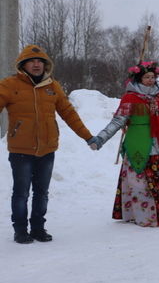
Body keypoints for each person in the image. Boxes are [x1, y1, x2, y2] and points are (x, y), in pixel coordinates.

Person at [0, 44, 95, 243]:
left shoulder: (53, 86)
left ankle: (38, 228)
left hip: (47, 149)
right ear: (23, 65)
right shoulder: (9, 85)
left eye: (40, 61)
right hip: (21, 150)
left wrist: (87, 136)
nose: (36, 65)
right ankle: (20, 230)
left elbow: (69, 113)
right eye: (31, 61)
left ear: (45, 65)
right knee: (21, 192)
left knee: (41, 192)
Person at [89, 61, 159, 227]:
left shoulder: (158, 98)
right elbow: (117, 121)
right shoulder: (130, 98)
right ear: (139, 78)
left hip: (156, 145)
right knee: (137, 183)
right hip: (137, 145)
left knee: (158, 180)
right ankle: (142, 215)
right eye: (147, 77)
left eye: (153, 77)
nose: (150, 80)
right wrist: (100, 139)